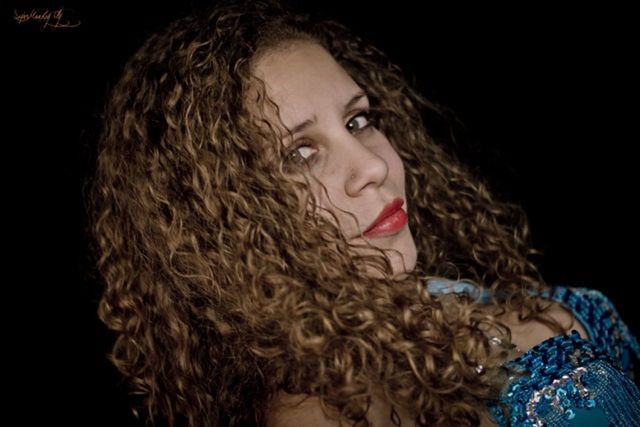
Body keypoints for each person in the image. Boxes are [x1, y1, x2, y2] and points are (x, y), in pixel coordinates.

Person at [88, 0, 640, 426]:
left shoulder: (425, 309)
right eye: (299, 155)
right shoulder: (327, 409)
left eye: (357, 121)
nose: (372, 167)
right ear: (218, 221)